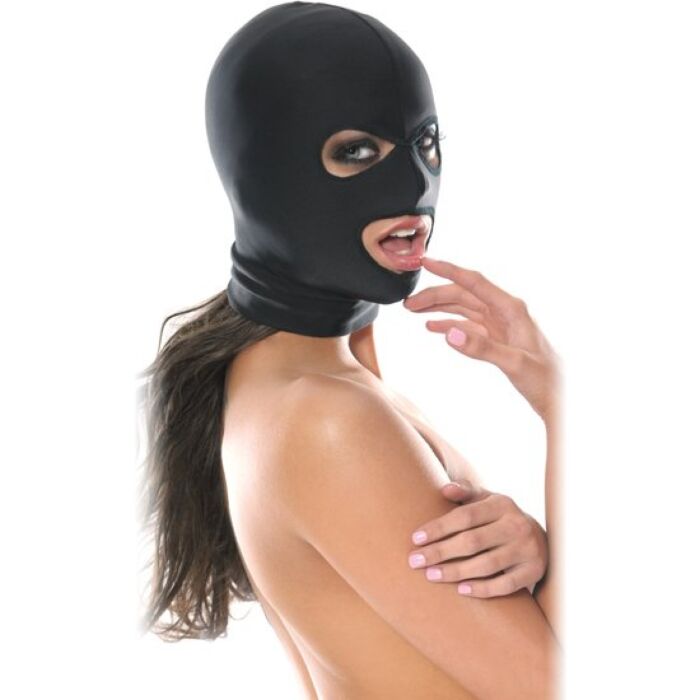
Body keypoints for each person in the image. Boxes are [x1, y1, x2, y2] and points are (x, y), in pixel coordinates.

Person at [137, 2, 562, 698]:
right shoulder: (326, 420)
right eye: (357, 152)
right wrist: (563, 410)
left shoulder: (300, 376)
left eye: (426, 144)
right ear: (263, 173)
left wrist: (536, 554)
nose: (416, 185)